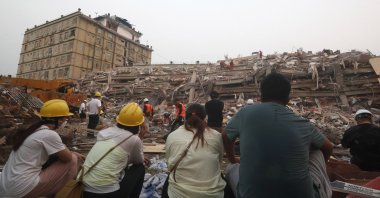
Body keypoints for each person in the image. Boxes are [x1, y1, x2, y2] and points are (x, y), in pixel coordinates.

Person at [224, 72, 333, 198]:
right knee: (317, 151)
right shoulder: (304, 124)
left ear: (261, 96)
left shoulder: (245, 113)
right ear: (288, 100)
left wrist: (232, 159)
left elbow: (226, 136)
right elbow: (328, 147)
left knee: (230, 168)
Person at [0, 99, 84, 197]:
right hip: (20, 188)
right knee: (73, 159)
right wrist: (74, 154)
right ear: (59, 120)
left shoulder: (33, 130)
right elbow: (68, 158)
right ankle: (64, 192)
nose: (65, 122)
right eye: (65, 119)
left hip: (6, 186)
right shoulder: (49, 134)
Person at [82, 102, 148, 198]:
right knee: (139, 168)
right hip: (107, 193)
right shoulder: (133, 139)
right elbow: (139, 161)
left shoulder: (106, 133)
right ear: (138, 125)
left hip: (84, 189)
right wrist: (141, 136)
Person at [164, 103, 226, 198]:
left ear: (185, 117)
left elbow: (169, 163)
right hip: (213, 194)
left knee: (168, 181)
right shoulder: (216, 136)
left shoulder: (172, 136)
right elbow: (219, 161)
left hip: (177, 194)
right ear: (205, 118)